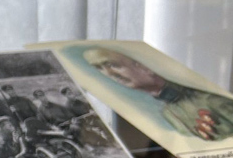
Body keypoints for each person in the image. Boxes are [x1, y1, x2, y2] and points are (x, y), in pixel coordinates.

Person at [82, 46, 233, 141]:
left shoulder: (209, 99)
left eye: (112, 65)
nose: (109, 74)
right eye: (99, 68)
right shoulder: (168, 113)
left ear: (144, 66)